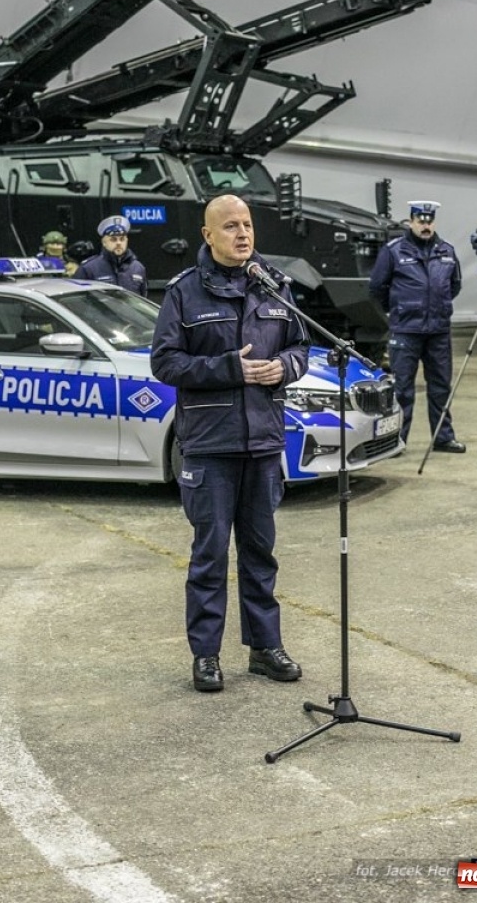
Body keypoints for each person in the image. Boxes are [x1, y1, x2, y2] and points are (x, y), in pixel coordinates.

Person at [150, 194, 309, 693]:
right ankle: (206, 655)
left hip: (262, 442)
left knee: (261, 553)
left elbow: (301, 347)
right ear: (208, 235)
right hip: (209, 447)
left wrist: (283, 368)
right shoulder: (184, 293)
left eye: (247, 225)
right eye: (231, 227)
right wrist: (228, 368)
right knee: (210, 555)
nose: (243, 234)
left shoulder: (275, 286)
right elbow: (165, 363)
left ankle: (264, 648)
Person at [368, 200, 466, 453]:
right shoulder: (394, 251)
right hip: (406, 331)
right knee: (402, 389)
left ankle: (443, 438)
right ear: (411, 222)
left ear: (434, 223)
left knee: (441, 386)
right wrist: (399, 308)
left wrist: (437, 307)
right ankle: (397, 440)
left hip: (438, 332)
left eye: (429, 221)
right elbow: (377, 287)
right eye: (420, 221)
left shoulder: (447, 251)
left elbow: (454, 286)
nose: (425, 225)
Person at [72, 215, 148, 296]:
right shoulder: (88, 269)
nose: (119, 243)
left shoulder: (138, 268)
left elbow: (143, 299)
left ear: (127, 241)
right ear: (104, 242)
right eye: (113, 239)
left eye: (122, 239)